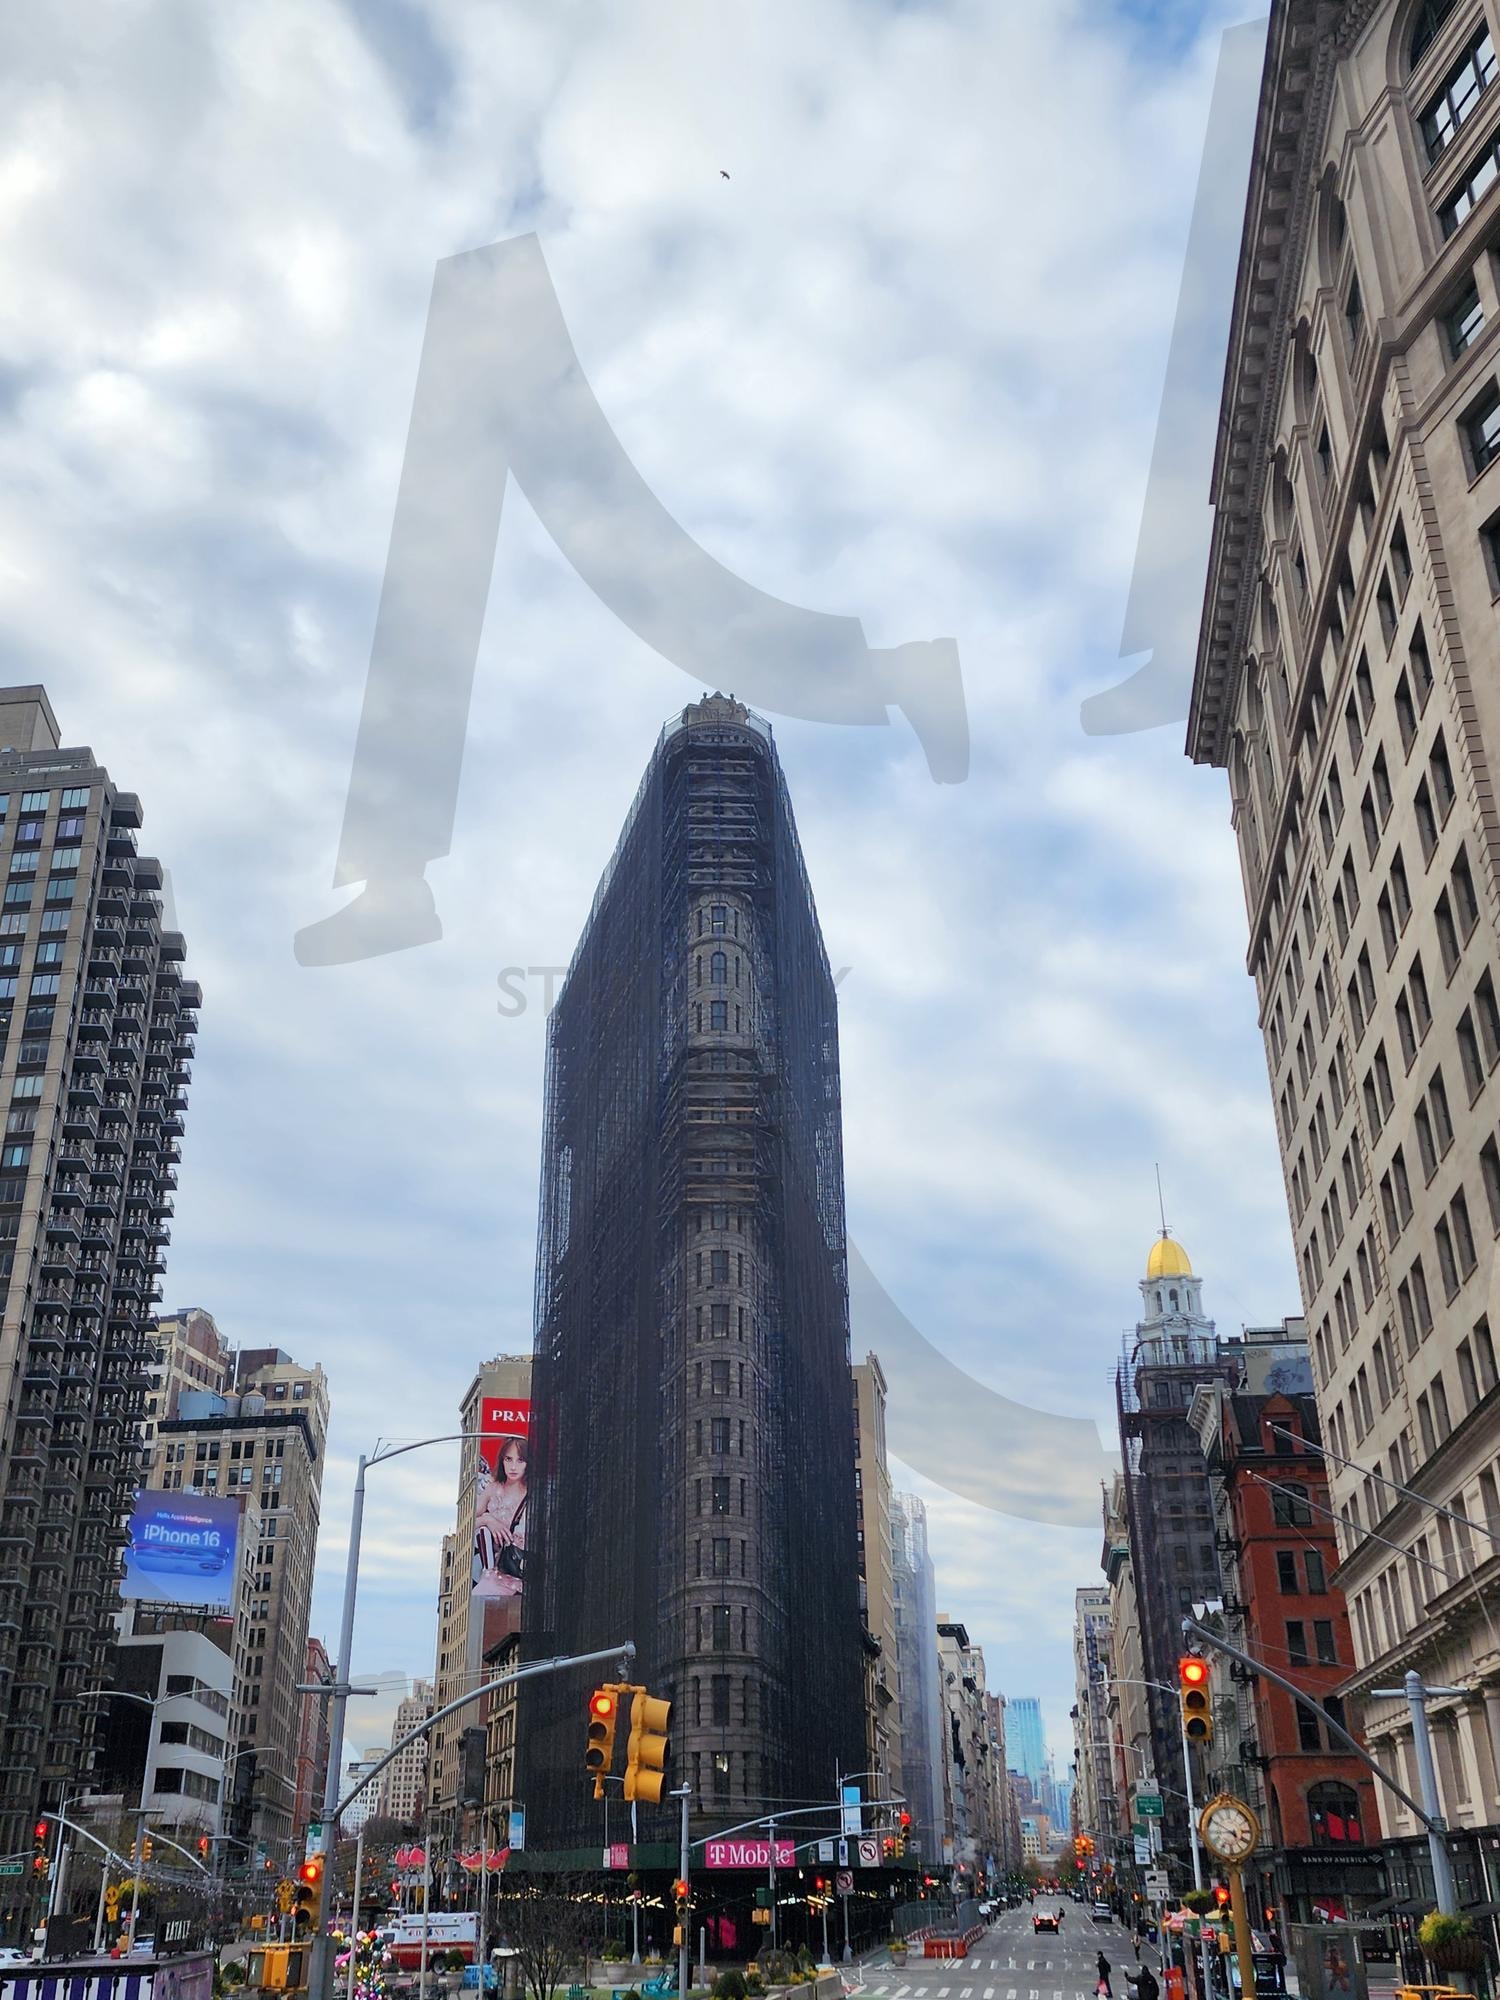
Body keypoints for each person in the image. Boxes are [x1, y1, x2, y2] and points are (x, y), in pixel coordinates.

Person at [472, 1435, 529, 1598]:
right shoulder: (492, 1488)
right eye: (508, 1459)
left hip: (520, 1566)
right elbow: (468, 1524)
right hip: (495, 1567)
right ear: (502, 1460)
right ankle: (489, 1573)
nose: (513, 1467)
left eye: (520, 1461)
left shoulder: (532, 1493)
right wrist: (488, 1520)